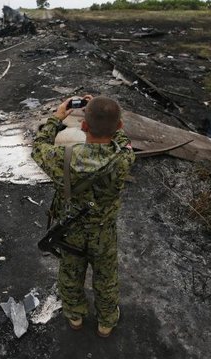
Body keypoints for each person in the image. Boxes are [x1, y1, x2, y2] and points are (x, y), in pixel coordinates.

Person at [31, 95, 135, 337]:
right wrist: (106, 116)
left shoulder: (62, 158)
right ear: (119, 126)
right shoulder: (124, 158)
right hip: (104, 232)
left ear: (83, 126)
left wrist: (57, 117)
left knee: (70, 273)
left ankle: (75, 317)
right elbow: (123, 139)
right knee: (106, 278)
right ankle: (106, 322)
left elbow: (38, 146)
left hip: (71, 231)